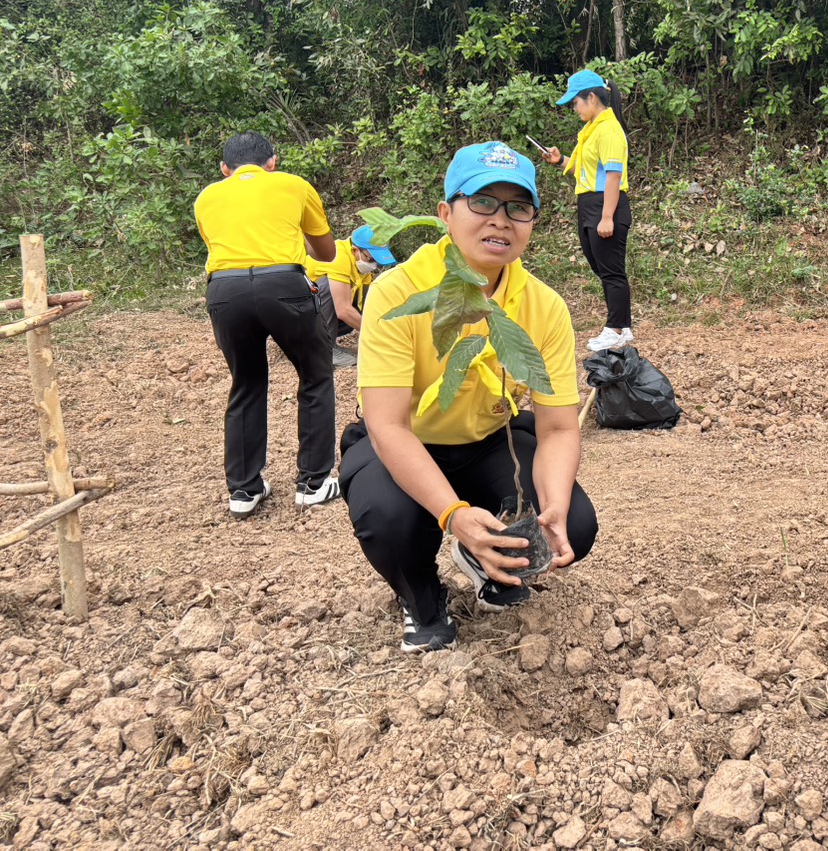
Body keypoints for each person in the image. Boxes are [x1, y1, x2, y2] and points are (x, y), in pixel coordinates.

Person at [342, 141, 598, 652]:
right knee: (389, 519)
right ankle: (421, 597)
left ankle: (486, 561)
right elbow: (388, 425)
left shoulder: (542, 307)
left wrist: (553, 506)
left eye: (518, 207)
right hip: (405, 441)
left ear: (531, 222)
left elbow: (558, 427)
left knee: (575, 520)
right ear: (446, 213)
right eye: (482, 202)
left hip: (486, 439)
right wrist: (454, 515)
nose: (500, 220)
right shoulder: (399, 292)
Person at [193, 131, 339, 518]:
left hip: (225, 292)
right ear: (272, 162)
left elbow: (222, 247)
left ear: (225, 170)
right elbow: (327, 252)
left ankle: (243, 490)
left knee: (247, 383)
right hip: (285, 286)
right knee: (316, 375)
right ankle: (313, 483)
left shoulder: (207, 197)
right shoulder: (293, 185)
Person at [542, 68, 634, 352]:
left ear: (591, 97)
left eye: (575, 102)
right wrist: (560, 161)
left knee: (611, 270)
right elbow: (587, 170)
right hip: (590, 204)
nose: (574, 108)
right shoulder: (591, 130)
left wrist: (607, 216)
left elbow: (612, 177)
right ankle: (621, 325)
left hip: (606, 205)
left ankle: (616, 328)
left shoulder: (608, 130)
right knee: (601, 267)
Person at [307, 224, 397, 368]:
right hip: (297, 314)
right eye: (371, 259)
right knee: (328, 288)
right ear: (356, 251)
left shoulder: (360, 266)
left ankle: (328, 344)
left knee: (358, 301)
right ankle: (325, 351)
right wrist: (376, 333)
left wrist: (390, 327)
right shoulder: (338, 257)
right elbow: (343, 311)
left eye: (378, 263)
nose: (375, 266)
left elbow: (370, 303)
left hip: (312, 312)